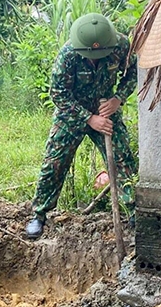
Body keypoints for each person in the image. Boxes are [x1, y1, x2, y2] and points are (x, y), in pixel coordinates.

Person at [25, 13, 138, 240]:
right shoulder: (68, 54)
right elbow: (58, 94)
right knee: (54, 162)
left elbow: (135, 73)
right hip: (72, 113)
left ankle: (136, 210)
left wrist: (118, 99)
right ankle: (39, 214)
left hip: (105, 108)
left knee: (122, 159)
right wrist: (88, 118)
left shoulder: (122, 46)